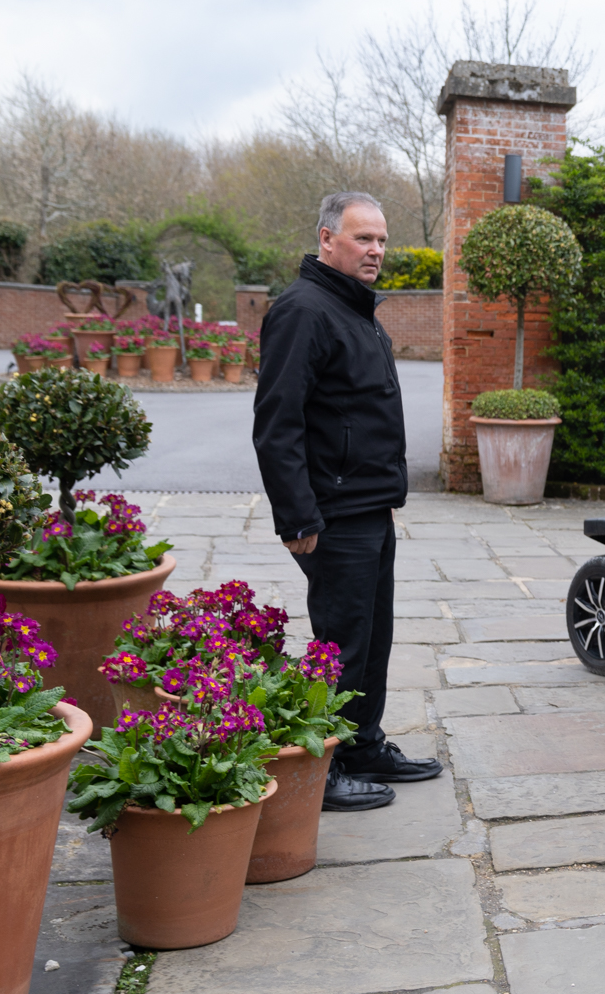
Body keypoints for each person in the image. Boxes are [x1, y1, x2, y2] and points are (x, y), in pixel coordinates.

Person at [253, 191, 443, 812]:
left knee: (373, 634)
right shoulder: (304, 311)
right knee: (341, 642)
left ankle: (361, 744)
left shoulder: (352, 309)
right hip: (331, 515)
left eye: (382, 240)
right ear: (326, 238)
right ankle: (322, 767)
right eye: (364, 239)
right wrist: (297, 514)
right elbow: (276, 421)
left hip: (368, 507)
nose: (377, 251)